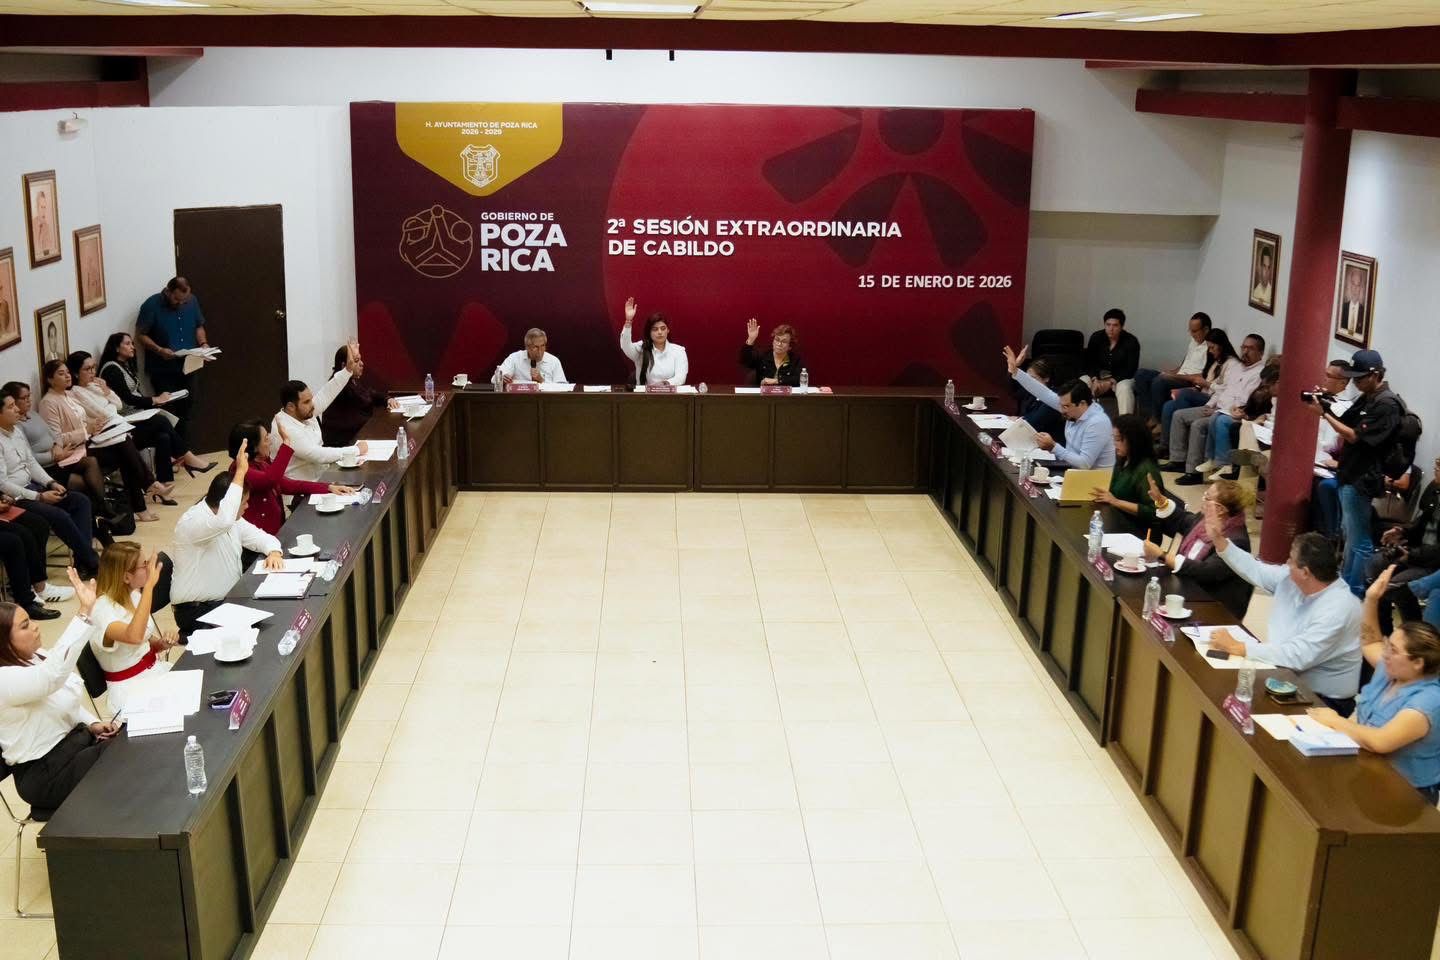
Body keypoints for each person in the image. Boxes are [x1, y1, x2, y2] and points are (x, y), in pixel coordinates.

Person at [1307, 566, 1440, 802]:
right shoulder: (1393, 670)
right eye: (1388, 645)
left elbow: (1381, 741)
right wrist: (1371, 599)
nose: (1385, 653)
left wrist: (1335, 720)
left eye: (1393, 650)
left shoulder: (1429, 700)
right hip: (1368, 772)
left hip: (1406, 795)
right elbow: (1370, 642)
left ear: (1418, 662)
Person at [0, 569, 122, 813]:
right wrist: (84, 613)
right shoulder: (4, 679)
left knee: (130, 738)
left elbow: (63, 699)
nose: (35, 627)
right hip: (46, 774)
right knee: (122, 757)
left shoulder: (36, 656)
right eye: (25, 626)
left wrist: (93, 723)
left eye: (31, 620)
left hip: (73, 746)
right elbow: (52, 678)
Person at [1207, 530, 1362, 714]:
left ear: (1305, 572)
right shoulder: (1292, 579)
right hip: (1283, 679)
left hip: (1322, 699)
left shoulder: (1339, 608)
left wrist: (1239, 647)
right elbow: (1255, 569)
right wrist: (1219, 540)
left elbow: (1297, 655)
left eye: (1291, 560)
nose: (1287, 564)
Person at [1307, 349, 1405, 597]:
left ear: (1375, 375)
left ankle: (1355, 591)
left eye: (1360, 378)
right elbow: (1347, 420)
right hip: (1349, 473)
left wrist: (1323, 414)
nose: (1356, 383)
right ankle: (1345, 585)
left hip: (1363, 478)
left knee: (1359, 540)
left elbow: (1354, 436)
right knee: (1349, 534)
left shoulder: (1386, 405)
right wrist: (1325, 401)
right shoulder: (1368, 397)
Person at [171, 443, 284, 634]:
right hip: (198, 611)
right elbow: (223, 521)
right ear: (229, 503)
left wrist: (274, 552)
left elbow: (260, 537)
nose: (247, 507)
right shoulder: (194, 522)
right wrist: (240, 472)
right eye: (244, 502)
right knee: (269, 628)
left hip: (226, 601)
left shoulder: (233, 520)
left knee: (276, 608)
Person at [38, 359, 168, 522]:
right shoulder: (48, 402)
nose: (67, 376)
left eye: (67, 372)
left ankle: (142, 503)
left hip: (88, 442)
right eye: (61, 374)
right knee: (125, 449)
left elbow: (91, 416)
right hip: (75, 452)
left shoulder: (67, 395)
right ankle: (147, 487)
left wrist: (92, 424)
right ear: (50, 379)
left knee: (125, 447)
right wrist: (86, 430)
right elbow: (57, 438)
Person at [0, 391, 100, 579]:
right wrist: (39, 497)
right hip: (17, 497)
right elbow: (3, 483)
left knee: (80, 501)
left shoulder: (17, 431)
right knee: (59, 515)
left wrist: (50, 482)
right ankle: (93, 562)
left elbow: (31, 463)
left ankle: (82, 562)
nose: (17, 409)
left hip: (34, 486)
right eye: (11, 406)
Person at [69, 350, 197, 496]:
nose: (93, 372)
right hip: (105, 435)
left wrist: (106, 391)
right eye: (87, 369)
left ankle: (163, 481)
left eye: (94, 367)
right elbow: (105, 413)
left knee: (162, 435)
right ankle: (178, 463)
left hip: (118, 426)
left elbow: (118, 405)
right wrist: (109, 404)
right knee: (158, 422)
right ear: (76, 373)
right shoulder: (77, 392)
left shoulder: (95, 385)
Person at [98, 332, 215, 476]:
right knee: (161, 421)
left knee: (163, 436)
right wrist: (155, 399)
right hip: (124, 422)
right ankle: (188, 458)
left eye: (132, 343)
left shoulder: (123, 366)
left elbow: (135, 396)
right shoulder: (111, 369)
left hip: (134, 415)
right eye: (127, 344)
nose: (132, 347)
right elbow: (128, 399)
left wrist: (155, 403)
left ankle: (164, 481)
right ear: (116, 348)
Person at [1, 381, 111, 532]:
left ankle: (101, 516)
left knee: (89, 467)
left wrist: (57, 447)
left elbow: (53, 435)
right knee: (80, 488)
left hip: (50, 467)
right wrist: (53, 457)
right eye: (22, 399)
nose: (28, 401)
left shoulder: (31, 417)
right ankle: (99, 520)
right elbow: (28, 462)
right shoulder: (17, 426)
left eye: (29, 396)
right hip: (43, 470)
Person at [1144, 474, 1255, 620]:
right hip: (1187, 590)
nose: (1203, 499)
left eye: (1207, 498)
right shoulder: (1206, 519)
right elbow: (1184, 520)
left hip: (1214, 608)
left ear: (1220, 509)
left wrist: (1163, 555)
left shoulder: (1237, 541)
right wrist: (1161, 500)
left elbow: (1206, 572)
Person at [87, 544, 178, 710]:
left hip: (152, 673)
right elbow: (134, 636)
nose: (149, 568)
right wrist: (149, 586)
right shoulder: (101, 610)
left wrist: (161, 643)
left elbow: (144, 641)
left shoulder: (134, 594)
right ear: (127, 577)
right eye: (144, 565)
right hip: (129, 689)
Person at [1168, 333, 1267, 484]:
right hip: (1217, 407)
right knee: (1179, 415)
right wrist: (1209, 405)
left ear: (1260, 352)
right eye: (1243, 347)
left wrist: (1217, 410)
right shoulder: (1237, 368)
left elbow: (1244, 401)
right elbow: (1222, 391)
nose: (1245, 351)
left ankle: (1194, 472)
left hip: (1231, 413)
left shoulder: (1259, 373)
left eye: (1250, 348)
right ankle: (1178, 460)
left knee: (1199, 425)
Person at [229, 420, 353, 536]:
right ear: (254, 446)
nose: (270, 442)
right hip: (258, 539)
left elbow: (289, 485)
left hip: (276, 532)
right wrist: (286, 444)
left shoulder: (260, 463)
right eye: (266, 439)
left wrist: (328, 487)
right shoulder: (239, 470)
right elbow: (270, 479)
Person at [270, 340, 370, 482]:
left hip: (322, 477)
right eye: (306, 402)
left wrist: (348, 370)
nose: (312, 404)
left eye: (310, 399)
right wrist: (356, 450)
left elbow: (325, 394)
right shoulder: (284, 428)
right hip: (301, 489)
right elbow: (318, 455)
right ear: (291, 406)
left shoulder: (303, 412)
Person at [1003, 344, 1115, 469]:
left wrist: (1054, 447)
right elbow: (1043, 392)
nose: (1061, 410)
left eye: (1066, 406)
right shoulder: (1071, 407)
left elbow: (1084, 463)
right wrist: (1015, 371)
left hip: (1091, 478)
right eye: (1061, 405)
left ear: (1082, 404)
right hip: (1070, 470)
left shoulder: (1097, 423)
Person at [1370, 456, 1440, 630]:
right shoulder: (1435, 489)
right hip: (1418, 552)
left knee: (1389, 588)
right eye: (1437, 464)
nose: (1436, 468)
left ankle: (1413, 632)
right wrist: (1402, 531)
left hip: (1433, 563)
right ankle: (1386, 631)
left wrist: (1412, 555)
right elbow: (1421, 521)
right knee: (1374, 567)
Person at [136, 276, 211, 427]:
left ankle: (184, 441)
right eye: (177, 300)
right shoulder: (151, 305)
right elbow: (141, 335)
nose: (181, 303)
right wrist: (159, 349)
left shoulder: (192, 301)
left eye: (184, 300)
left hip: (189, 365)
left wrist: (203, 343)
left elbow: (199, 326)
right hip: (163, 368)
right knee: (169, 412)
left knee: (188, 409)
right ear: (168, 292)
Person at [1090, 414, 1164, 535]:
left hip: (1139, 532)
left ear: (1133, 440)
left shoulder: (1146, 469)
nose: (1114, 444)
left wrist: (1115, 502)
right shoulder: (1123, 461)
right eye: (1114, 439)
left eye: (1118, 440)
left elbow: (1154, 511)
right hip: (1118, 522)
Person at [1132, 312, 1213, 420]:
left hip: (1188, 381)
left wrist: (1173, 376)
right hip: (1178, 376)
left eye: (1194, 331)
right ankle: (1148, 416)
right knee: (1141, 374)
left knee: (1159, 381)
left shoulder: (1211, 348)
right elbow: (1184, 365)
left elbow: (1201, 376)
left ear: (1206, 329)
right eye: (1190, 330)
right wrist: (1170, 372)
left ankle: (1157, 419)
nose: (1191, 334)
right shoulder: (1193, 342)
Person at [321, 343, 401, 447]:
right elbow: (364, 402)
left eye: (360, 359)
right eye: (356, 361)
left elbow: (369, 393)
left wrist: (387, 399)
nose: (362, 364)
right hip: (343, 443)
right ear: (344, 366)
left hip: (357, 434)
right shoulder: (338, 386)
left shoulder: (351, 379)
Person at [619, 297, 688, 387]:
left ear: (668, 330)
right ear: (649, 332)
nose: (660, 332)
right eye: (655, 329)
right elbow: (625, 346)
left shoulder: (678, 351)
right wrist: (628, 321)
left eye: (663, 328)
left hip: (670, 394)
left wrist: (664, 384)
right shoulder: (641, 348)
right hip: (645, 395)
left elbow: (681, 377)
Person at [1083, 308, 1141, 413]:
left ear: (1122, 326)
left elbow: (1131, 369)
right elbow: (1089, 362)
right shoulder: (1096, 337)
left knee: (1124, 388)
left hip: (1122, 378)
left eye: (1115, 325)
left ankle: (1125, 422)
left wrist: (1111, 381)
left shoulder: (1131, 341)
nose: (1111, 329)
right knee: (1083, 381)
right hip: (1098, 377)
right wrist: (1094, 379)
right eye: (1108, 325)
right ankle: (1082, 418)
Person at [1013, 357, 1065, 439]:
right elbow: (1013, 390)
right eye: (1027, 378)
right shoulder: (1030, 394)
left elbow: (1034, 422)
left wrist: (1018, 419)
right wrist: (1015, 366)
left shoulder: (1054, 397)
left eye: (1033, 378)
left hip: (1049, 442)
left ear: (1046, 378)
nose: (1029, 382)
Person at [740, 319, 802, 387]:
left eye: (784, 341)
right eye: (777, 339)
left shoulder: (795, 360)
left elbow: (800, 379)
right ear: (773, 341)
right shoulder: (763, 356)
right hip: (763, 393)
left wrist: (776, 381)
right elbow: (745, 361)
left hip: (785, 394)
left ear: (790, 346)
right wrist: (751, 339)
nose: (779, 344)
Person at [498, 328, 567, 388]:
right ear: (527, 347)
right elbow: (495, 379)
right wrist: (501, 378)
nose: (540, 350)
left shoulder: (554, 361)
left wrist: (542, 381)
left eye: (542, 346)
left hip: (546, 398)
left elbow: (563, 387)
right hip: (519, 398)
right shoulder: (514, 358)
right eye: (536, 347)